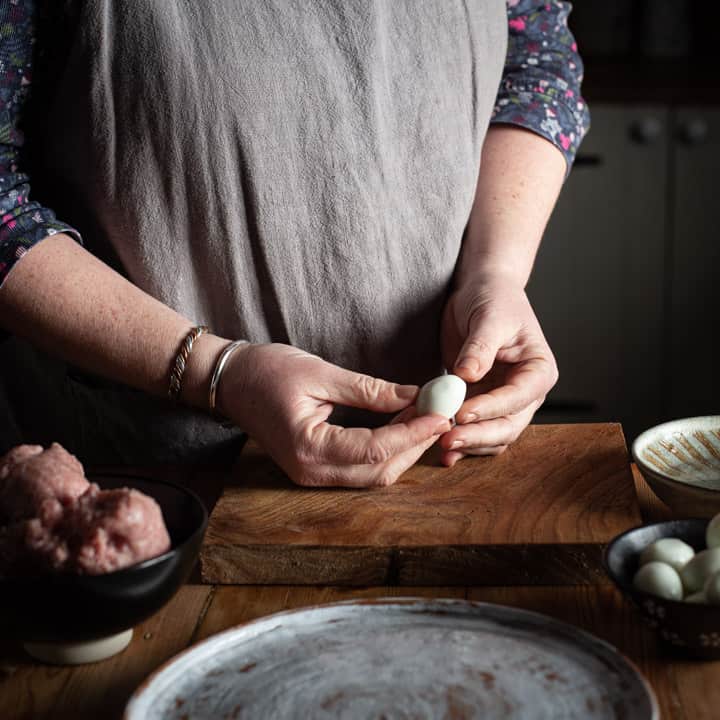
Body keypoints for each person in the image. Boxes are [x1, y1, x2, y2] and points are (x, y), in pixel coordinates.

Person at [0, 0, 589, 487]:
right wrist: (218, 372)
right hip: (151, 485)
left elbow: (535, 67)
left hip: (430, 471)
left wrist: (495, 271)